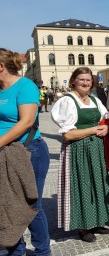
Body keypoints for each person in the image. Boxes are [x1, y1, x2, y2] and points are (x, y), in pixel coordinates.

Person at [51, 67, 109, 242]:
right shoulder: (68, 101)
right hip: (77, 150)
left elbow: (106, 118)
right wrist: (94, 129)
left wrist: (107, 127)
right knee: (82, 185)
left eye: (88, 80)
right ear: (73, 81)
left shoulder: (94, 100)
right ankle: (82, 226)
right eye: (81, 79)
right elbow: (68, 134)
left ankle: (96, 220)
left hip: (96, 149)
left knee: (98, 183)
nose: (85, 83)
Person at [0, 48, 51, 256]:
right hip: (4, 152)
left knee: (31, 204)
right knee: (6, 204)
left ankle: (42, 251)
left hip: (28, 151)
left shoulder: (25, 86)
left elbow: (27, 122)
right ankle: (16, 249)